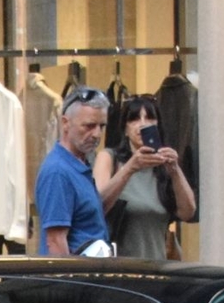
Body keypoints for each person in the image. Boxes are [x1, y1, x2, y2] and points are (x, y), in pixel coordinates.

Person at [92, 95, 197, 261]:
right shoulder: (110, 159)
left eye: (150, 118)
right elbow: (97, 207)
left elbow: (188, 211)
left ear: (158, 125)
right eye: (134, 119)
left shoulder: (163, 167)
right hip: (118, 268)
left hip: (158, 267)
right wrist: (130, 168)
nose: (142, 124)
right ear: (125, 129)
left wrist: (175, 170)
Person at [36, 84, 113, 257]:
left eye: (102, 126)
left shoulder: (79, 164)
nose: (97, 134)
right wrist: (70, 282)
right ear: (65, 123)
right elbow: (55, 241)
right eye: (89, 126)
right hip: (75, 278)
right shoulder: (58, 171)